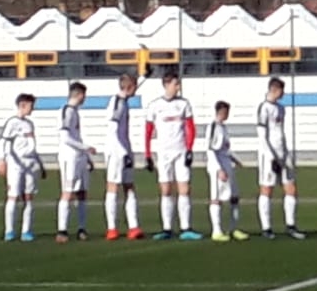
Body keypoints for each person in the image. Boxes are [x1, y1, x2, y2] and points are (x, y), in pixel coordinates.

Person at [144, 71, 201, 240]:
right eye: (175, 84)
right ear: (166, 85)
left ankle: (186, 228)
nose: (178, 87)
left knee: (184, 189)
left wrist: (189, 149)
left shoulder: (184, 104)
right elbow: (148, 132)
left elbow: (191, 128)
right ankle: (167, 228)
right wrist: (147, 154)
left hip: (181, 151)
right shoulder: (155, 106)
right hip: (164, 153)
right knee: (166, 189)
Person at [256, 77, 305, 240]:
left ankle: (291, 225)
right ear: (274, 90)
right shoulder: (264, 108)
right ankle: (266, 228)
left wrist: (286, 154)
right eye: (281, 91)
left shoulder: (281, 108)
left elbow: (280, 133)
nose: (283, 94)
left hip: (283, 153)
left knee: (291, 188)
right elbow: (262, 136)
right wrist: (271, 157)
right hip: (268, 156)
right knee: (267, 189)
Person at [103, 73, 145, 241]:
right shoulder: (117, 103)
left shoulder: (123, 100)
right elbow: (112, 130)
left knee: (129, 186)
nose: (136, 90)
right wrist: (122, 152)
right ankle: (111, 228)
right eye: (135, 87)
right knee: (113, 186)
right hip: (116, 150)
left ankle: (133, 227)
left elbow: (133, 85)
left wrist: (144, 76)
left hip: (125, 148)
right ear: (129, 88)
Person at [0, 93, 44, 242]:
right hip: (16, 164)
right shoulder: (12, 122)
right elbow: (4, 142)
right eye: (31, 105)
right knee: (13, 195)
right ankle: (9, 230)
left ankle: (26, 230)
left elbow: (32, 146)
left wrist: (40, 164)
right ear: (22, 105)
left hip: (30, 164)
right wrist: (2, 160)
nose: (33, 109)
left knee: (28, 197)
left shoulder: (29, 124)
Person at [54, 82, 95, 243]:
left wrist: (86, 156)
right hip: (69, 157)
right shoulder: (66, 111)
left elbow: (76, 136)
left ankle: (81, 228)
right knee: (68, 192)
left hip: (79, 157)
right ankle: (62, 230)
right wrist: (86, 148)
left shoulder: (75, 112)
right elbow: (65, 138)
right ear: (79, 95)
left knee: (82, 192)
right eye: (84, 95)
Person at [207, 101, 249, 242]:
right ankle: (216, 231)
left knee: (234, 196)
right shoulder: (213, 127)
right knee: (216, 198)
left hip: (227, 165)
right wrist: (218, 169)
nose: (227, 115)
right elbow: (211, 150)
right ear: (220, 112)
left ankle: (233, 228)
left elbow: (225, 149)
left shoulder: (223, 127)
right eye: (226, 112)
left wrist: (235, 159)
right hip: (218, 167)